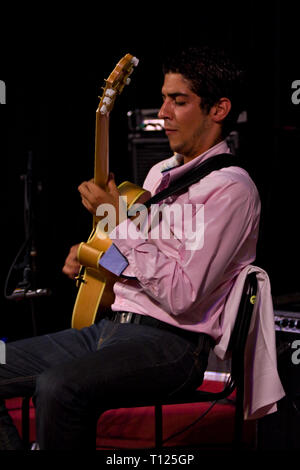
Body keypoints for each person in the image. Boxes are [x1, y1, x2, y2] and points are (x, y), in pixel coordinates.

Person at [0, 46, 261, 450]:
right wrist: (93, 256)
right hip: (112, 330)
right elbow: (143, 256)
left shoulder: (231, 189)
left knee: (58, 387)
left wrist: (117, 222)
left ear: (219, 109)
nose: (163, 112)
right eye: (163, 99)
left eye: (179, 101)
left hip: (172, 345)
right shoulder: (160, 173)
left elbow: (181, 295)